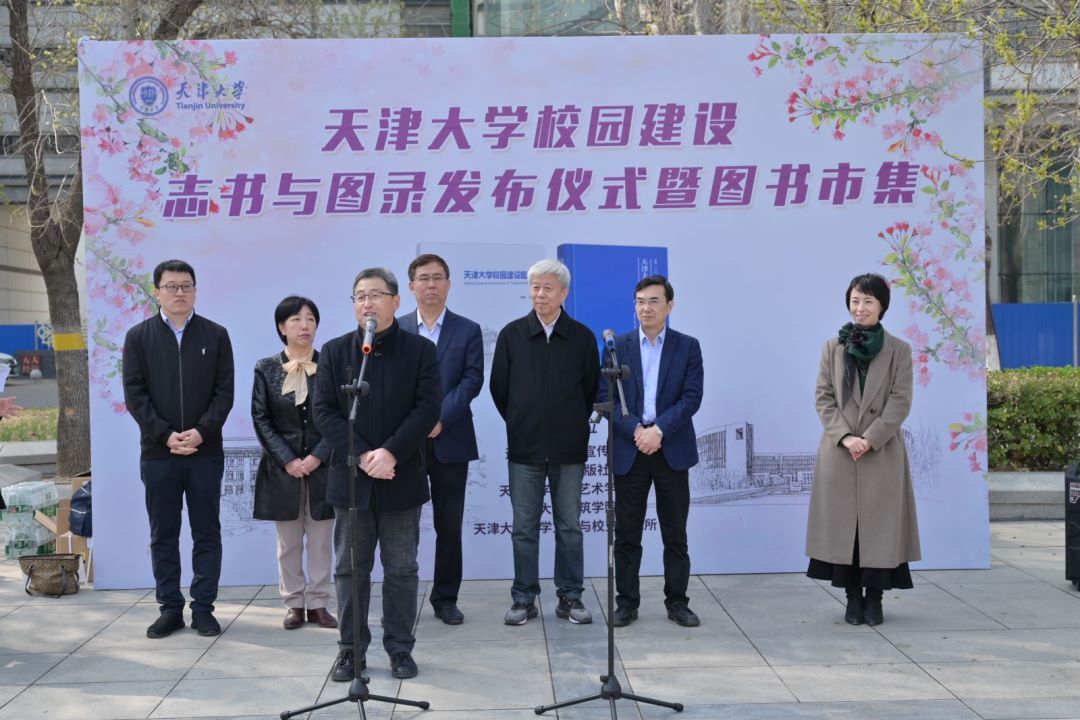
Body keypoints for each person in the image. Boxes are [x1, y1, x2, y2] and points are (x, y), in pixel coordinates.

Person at [313, 268, 441, 682]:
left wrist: (390, 453)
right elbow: (324, 412)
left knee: (401, 568)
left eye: (376, 295)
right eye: (360, 296)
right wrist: (365, 454)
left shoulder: (420, 350)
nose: (367, 303)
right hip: (351, 480)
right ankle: (351, 651)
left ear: (396, 301)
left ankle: (400, 648)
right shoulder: (334, 351)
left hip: (400, 476)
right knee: (350, 568)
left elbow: (427, 408)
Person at [122, 259, 234, 639]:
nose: (179, 293)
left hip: (205, 452)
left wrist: (201, 433)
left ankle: (203, 609)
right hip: (158, 454)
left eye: (186, 286)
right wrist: (165, 435)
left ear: (195, 291)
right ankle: (170, 608)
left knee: (207, 533)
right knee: (163, 535)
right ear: (157, 292)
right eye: (171, 286)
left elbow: (224, 393)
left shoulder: (216, 335)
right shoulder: (139, 337)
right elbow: (135, 396)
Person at [806, 272, 920, 627]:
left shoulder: (899, 350)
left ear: (882, 306)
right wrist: (846, 437)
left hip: (880, 452)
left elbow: (900, 401)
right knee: (845, 532)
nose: (860, 307)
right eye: (855, 300)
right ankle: (852, 597)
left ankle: (875, 598)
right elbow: (824, 398)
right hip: (840, 451)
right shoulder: (833, 347)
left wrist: (870, 438)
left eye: (868, 301)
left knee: (879, 531)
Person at [490, 258, 599, 626]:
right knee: (524, 528)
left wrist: (568, 423)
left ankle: (570, 596)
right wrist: (522, 421)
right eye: (534, 287)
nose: (539, 294)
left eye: (547, 288)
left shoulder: (582, 337)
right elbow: (499, 390)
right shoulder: (512, 335)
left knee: (570, 527)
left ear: (563, 293)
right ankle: (523, 598)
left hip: (569, 450)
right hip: (525, 449)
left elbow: (590, 391)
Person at [608, 276, 703, 628]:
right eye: (639, 301)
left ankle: (677, 602)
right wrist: (636, 430)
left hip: (670, 447)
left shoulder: (687, 346)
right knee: (626, 533)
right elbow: (607, 398)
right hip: (631, 448)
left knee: (674, 533)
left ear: (669, 306)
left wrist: (658, 430)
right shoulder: (617, 346)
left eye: (653, 301)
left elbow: (691, 397)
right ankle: (626, 603)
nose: (645, 308)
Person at [397, 253, 483, 626]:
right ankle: (403, 597)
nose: (431, 284)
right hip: (405, 444)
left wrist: (439, 418)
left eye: (437, 278)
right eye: (423, 278)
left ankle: (446, 598)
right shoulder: (396, 329)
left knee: (449, 524)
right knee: (404, 526)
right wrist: (418, 423)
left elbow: (472, 380)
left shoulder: (468, 330)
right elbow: (390, 385)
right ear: (411, 286)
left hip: (452, 438)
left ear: (448, 284)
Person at [251, 296, 337, 631]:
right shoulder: (266, 368)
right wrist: (288, 459)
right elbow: (261, 418)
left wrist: (317, 456)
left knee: (320, 541)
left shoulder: (330, 364)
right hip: (282, 470)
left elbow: (340, 416)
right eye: (296, 319)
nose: (304, 326)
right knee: (287, 543)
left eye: (310, 319)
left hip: (323, 467)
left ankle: (318, 603)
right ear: (281, 327)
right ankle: (294, 604)